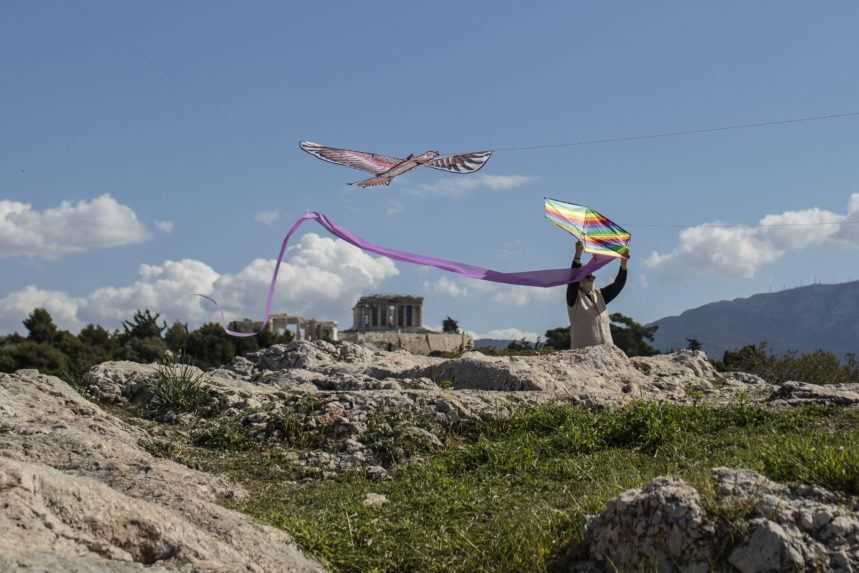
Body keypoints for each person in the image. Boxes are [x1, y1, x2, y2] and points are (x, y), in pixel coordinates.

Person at [566, 240, 628, 349]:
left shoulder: (600, 295)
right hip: (582, 356)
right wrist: (578, 255)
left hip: (607, 354)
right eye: (587, 276)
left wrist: (623, 264)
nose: (591, 278)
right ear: (579, 279)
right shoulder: (574, 298)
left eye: (591, 276)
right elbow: (573, 279)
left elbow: (618, 285)